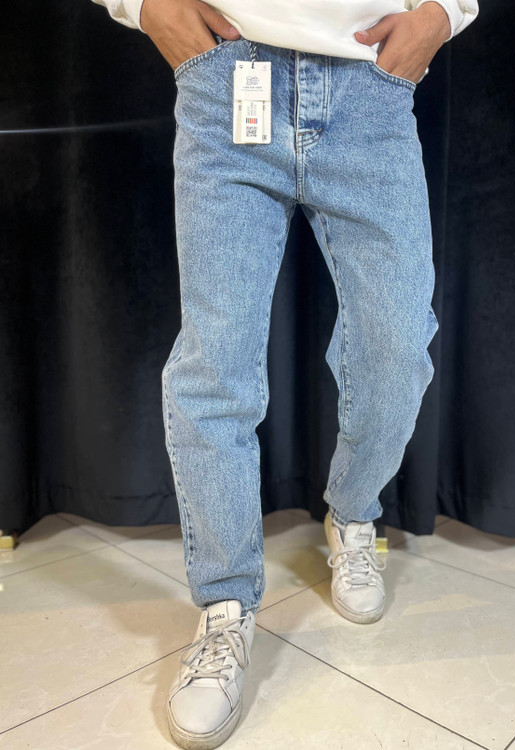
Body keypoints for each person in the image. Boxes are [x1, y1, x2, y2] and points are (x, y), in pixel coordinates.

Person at [91, 1, 479, 747]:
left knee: (398, 346)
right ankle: (224, 609)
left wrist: (444, 12)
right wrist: (144, 5)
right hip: (229, 78)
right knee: (216, 366)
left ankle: (352, 513)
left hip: (369, 90)